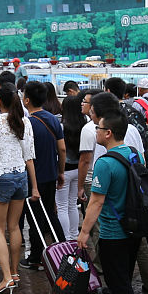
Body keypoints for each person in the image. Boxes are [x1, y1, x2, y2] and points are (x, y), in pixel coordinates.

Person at [77, 96, 143, 294]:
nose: (96, 130)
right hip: (134, 227)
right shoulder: (135, 154)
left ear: (109, 133)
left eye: (99, 128)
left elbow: (96, 201)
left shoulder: (105, 163)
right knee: (124, 275)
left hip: (114, 231)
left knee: (118, 282)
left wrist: (84, 233)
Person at [0, 85, 40, 294]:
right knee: (14, 227)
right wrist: (34, 186)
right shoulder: (25, 121)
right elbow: (29, 156)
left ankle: (6, 277)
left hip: (0, 178)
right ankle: (14, 272)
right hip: (20, 177)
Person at [20, 81, 65, 271]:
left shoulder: (27, 123)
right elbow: (61, 148)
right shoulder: (53, 119)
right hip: (51, 174)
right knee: (49, 213)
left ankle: (36, 258)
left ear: (27, 100)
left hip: (34, 179)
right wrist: (60, 171)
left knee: (35, 218)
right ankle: (64, 250)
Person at [56, 94, 85, 240]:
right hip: (79, 169)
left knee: (62, 206)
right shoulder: (84, 124)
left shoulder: (61, 126)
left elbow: (60, 149)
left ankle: (65, 238)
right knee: (72, 204)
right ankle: (74, 236)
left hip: (64, 170)